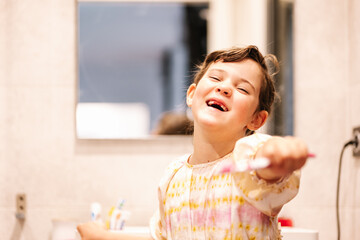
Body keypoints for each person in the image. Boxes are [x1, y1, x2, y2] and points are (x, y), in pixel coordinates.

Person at [77, 45, 309, 240]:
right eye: (216, 78)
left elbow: (267, 166)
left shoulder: (248, 160)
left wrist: (279, 155)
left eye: (241, 88)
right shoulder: (173, 176)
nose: (224, 87)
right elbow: (161, 236)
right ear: (191, 95)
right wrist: (102, 236)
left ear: (257, 119)